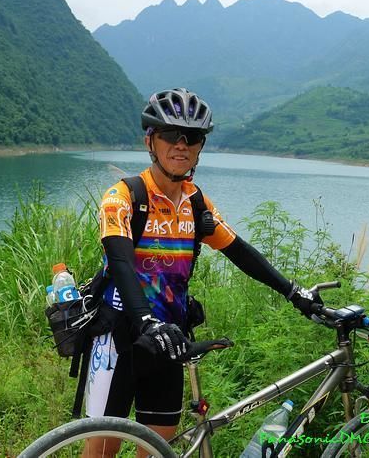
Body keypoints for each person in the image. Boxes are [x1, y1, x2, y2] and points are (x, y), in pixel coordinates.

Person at [82, 88, 320, 457]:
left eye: (192, 137)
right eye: (170, 135)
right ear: (150, 141)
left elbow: (240, 252)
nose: (181, 145)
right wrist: (145, 321)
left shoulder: (196, 204)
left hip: (169, 339)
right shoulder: (124, 196)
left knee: (158, 447)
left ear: (200, 147)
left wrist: (293, 291)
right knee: (101, 449)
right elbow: (120, 261)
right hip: (120, 339)